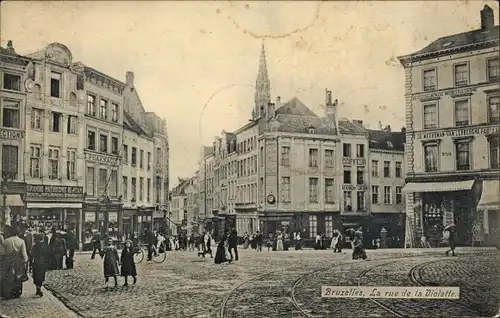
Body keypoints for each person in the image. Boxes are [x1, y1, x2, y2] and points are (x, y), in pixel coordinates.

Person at [0, 225, 29, 300]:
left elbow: (2, 253)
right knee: (18, 276)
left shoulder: (6, 241)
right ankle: (16, 292)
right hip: (18, 262)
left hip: (7, 261)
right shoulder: (21, 241)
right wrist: (25, 262)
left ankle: (7, 292)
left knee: (7, 277)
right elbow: (24, 255)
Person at [30, 233, 50, 297]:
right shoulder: (45, 246)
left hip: (36, 263)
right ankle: (39, 288)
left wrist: (30, 265)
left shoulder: (34, 246)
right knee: (41, 277)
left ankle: (37, 288)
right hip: (43, 263)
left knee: (36, 277)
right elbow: (48, 255)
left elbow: (32, 255)